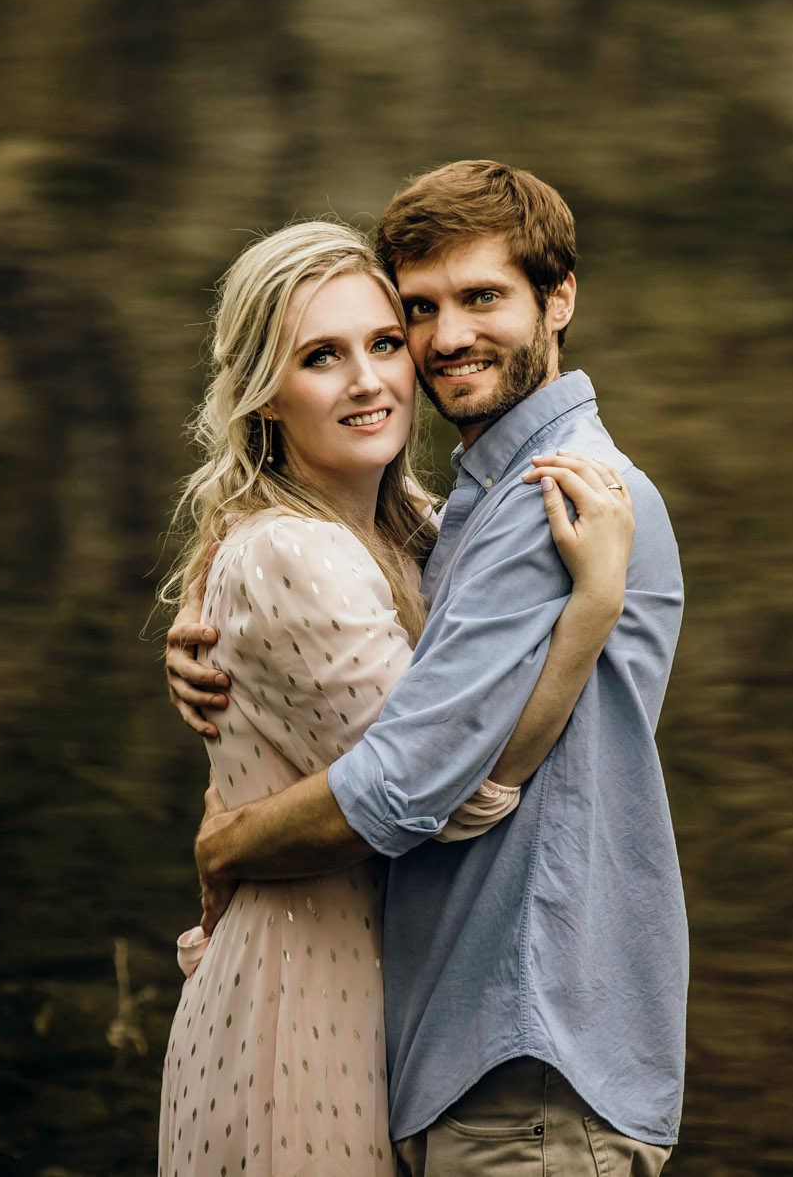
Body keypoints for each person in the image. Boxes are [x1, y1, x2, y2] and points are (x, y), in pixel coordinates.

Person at [165, 160, 687, 1176]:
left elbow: (411, 785)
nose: (445, 338)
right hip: (486, 1061)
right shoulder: (469, 513)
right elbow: (307, 607)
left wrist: (227, 847)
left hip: (526, 1070)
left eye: (482, 297)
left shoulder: (558, 499)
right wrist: (211, 613)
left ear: (559, 296)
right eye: (421, 309)